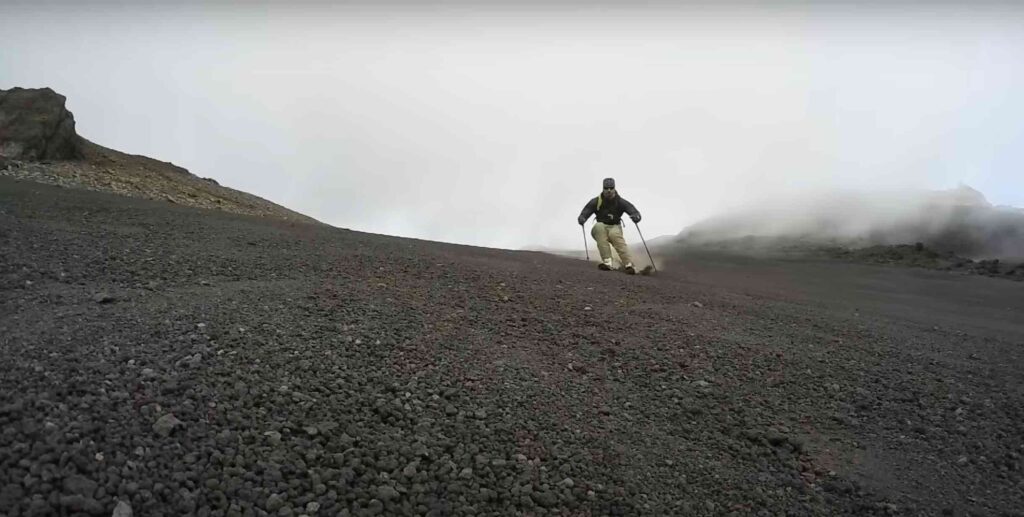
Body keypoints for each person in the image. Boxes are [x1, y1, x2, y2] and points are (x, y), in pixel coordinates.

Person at [577, 178, 641, 274]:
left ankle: (629, 265)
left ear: (614, 188)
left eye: (611, 188)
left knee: (616, 237)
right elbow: (586, 211)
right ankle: (607, 262)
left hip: (615, 226)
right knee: (599, 228)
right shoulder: (596, 201)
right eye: (606, 188)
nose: (609, 191)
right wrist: (582, 218)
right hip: (601, 225)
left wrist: (636, 216)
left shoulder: (620, 202)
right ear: (603, 189)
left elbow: (632, 210)